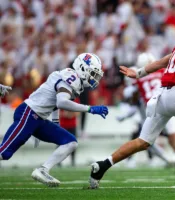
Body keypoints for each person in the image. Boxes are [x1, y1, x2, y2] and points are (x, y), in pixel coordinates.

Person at [88, 16, 175, 189]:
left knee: (143, 141)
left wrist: (138, 73)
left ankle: (102, 166)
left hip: (160, 97)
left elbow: (162, 62)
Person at [0, 53, 109, 187]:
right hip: (28, 113)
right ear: (82, 68)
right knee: (4, 153)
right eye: (93, 73)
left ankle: (43, 170)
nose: (94, 78)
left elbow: (57, 101)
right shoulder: (72, 77)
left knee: (71, 142)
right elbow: (61, 102)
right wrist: (90, 109)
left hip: (38, 118)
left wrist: (55, 123)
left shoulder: (74, 80)